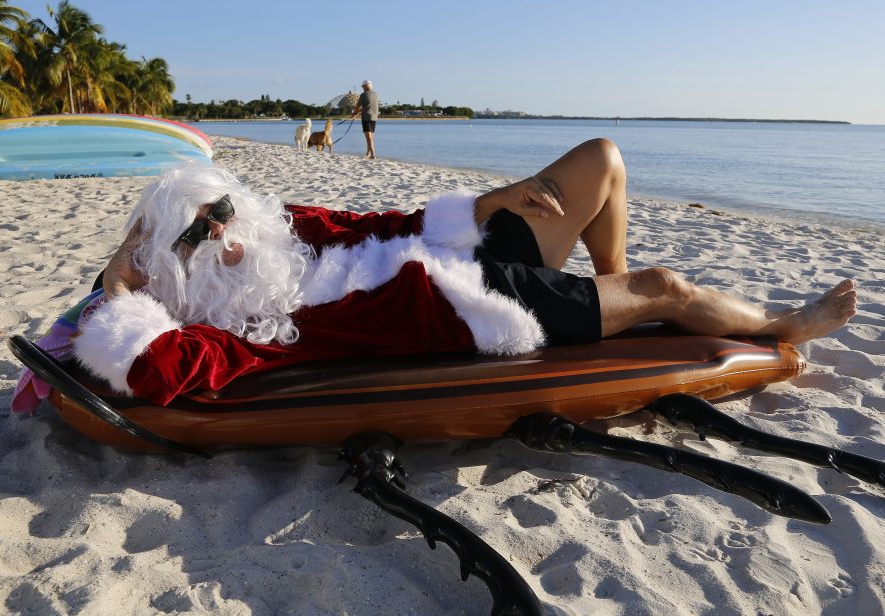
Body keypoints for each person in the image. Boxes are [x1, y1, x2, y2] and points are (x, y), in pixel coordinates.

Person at [69, 139, 854, 406]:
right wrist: (117, 284)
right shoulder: (231, 327)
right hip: (468, 304)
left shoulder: (284, 230)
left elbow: (383, 222)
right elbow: (156, 366)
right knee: (669, 285)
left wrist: (495, 202)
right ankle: (782, 323)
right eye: (196, 238)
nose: (221, 235)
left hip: (456, 252)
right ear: (178, 271)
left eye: (220, 212)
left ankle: (609, 310)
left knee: (600, 162)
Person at [351, 80, 379, 159]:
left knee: (368, 137)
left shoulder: (363, 95)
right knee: (371, 137)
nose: (362, 88)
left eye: (363, 86)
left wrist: (354, 113)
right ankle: (368, 152)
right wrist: (357, 112)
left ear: (366, 86)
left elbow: (357, 106)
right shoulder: (376, 95)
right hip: (374, 118)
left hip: (366, 118)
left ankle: (373, 153)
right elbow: (367, 107)